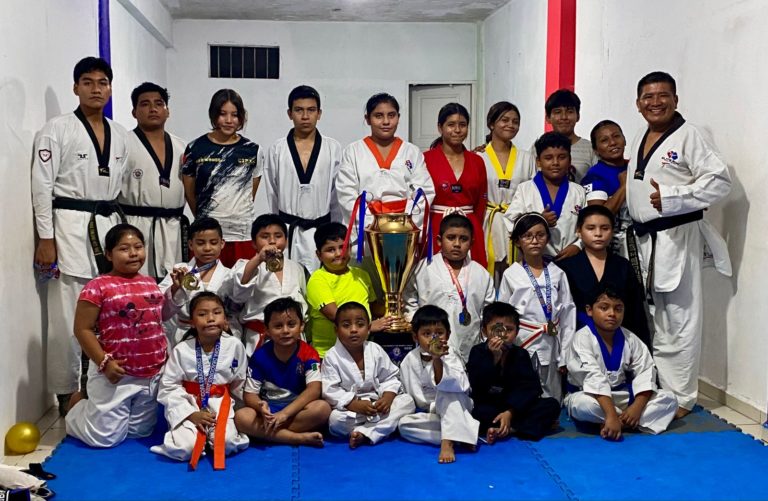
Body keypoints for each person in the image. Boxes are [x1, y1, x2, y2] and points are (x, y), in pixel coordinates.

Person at [626, 71, 731, 418]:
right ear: (638, 103)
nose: (655, 102)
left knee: (681, 316)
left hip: (677, 236)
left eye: (663, 96)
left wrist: (674, 197)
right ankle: (660, 386)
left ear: (676, 99)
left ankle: (682, 396)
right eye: (648, 96)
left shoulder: (690, 135)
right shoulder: (642, 135)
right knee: (655, 316)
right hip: (646, 240)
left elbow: (720, 181)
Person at [31, 56, 130, 415]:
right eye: (87, 82)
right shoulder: (56, 129)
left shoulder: (120, 134)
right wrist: (46, 238)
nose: (95, 89)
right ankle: (66, 389)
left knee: (110, 309)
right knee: (67, 311)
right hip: (69, 226)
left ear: (110, 88)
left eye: (102, 83)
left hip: (107, 226)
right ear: (76, 87)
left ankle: (104, 381)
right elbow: (42, 186)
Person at [65, 224, 168, 447]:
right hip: (115, 373)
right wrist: (104, 362)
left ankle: (112, 414)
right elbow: (82, 329)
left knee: (139, 432)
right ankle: (77, 407)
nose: (133, 253)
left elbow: (159, 318)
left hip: (150, 374)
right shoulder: (97, 286)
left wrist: (176, 291)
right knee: (105, 438)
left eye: (138, 247)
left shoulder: (150, 283)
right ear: (109, 254)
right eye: (124, 248)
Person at [335, 93, 435, 293]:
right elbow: (347, 193)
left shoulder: (411, 152)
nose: (386, 121)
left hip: (402, 234)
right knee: (366, 291)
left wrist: (401, 224)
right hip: (367, 235)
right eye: (378, 116)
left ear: (398, 117)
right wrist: (376, 226)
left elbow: (424, 192)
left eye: (391, 115)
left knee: (401, 292)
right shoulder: (353, 151)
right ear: (367, 119)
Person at [151, 292, 249, 469]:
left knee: (227, 443)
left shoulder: (235, 345)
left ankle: (212, 438)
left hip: (221, 404)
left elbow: (239, 382)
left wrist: (241, 411)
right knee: (185, 448)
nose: (210, 319)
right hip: (189, 403)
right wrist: (190, 414)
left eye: (217, 313)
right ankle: (193, 436)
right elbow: (168, 387)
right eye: (202, 314)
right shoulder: (182, 350)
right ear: (192, 322)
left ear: (225, 318)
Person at [564, 286, 678, 438]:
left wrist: (636, 407)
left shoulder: (630, 339)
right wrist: (610, 414)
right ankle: (621, 420)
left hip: (622, 396)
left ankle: (616, 423)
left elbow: (645, 372)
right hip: (592, 396)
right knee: (582, 405)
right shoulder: (582, 338)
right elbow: (593, 378)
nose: (612, 313)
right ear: (589, 310)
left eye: (618, 309)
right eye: (604, 308)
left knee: (669, 399)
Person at [264, 85, 343, 273]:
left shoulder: (333, 148)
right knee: (289, 282)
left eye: (311, 110)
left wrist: (334, 233)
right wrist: (277, 233)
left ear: (319, 113)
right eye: (299, 110)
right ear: (289, 113)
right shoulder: (278, 149)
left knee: (320, 283)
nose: (305, 116)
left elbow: (337, 196)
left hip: (321, 232)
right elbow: (272, 193)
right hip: (289, 231)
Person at [498, 213, 576, 402]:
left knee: (552, 396)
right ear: (517, 241)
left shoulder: (558, 273)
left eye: (540, 235)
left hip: (551, 340)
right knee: (522, 391)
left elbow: (568, 314)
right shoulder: (511, 274)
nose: (534, 241)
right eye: (527, 236)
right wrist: (503, 346)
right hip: (522, 341)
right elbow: (502, 314)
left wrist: (566, 353)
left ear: (547, 239)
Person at [181, 88, 264, 267]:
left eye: (234, 115)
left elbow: (250, 194)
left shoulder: (253, 150)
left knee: (242, 282)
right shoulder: (195, 148)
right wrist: (206, 217)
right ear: (213, 115)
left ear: (241, 117)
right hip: (207, 236)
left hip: (242, 234)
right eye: (222, 114)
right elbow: (189, 192)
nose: (228, 120)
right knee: (206, 282)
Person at [234, 298, 331, 446]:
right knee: (241, 417)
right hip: (270, 411)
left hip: (297, 410)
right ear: (267, 330)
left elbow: (314, 389)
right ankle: (297, 438)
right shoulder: (260, 356)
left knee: (322, 409)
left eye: (291, 325)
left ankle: (271, 434)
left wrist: (284, 414)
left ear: (301, 326)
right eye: (278, 326)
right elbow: (250, 395)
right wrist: (260, 406)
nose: (285, 331)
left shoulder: (309, 354)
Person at [321, 302, 416, 448]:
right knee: (335, 420)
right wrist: (354, 404)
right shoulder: (331, 357)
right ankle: (383, 427)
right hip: (352, 410)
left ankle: (365, 432)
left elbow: (390, 377)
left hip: (378, 404)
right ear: (336, 330)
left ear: (369, 328)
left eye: (360, 324)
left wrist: (387, 398)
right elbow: (331, 390)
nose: (354, 330)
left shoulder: (375, 349)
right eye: (346, 325)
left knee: (407, 401)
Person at [118, 82, 187, 280]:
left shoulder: (183, 147)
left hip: (173, 227)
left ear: (167, 111)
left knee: (175, 284)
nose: (153, 109)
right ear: (134, 112)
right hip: (136, 225)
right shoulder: (123, 143)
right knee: (137, 282)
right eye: (145, 104)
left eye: (159, 103)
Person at [403, 214, 495, 363]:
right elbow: (409, 300)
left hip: (470, 346)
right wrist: (419, 327)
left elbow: (488, 311)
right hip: (431, 345)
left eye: (463, 239)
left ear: (472, 242)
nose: (457, 244)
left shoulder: (481, 274)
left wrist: (484, 343)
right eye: (451, 238)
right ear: (439, 240)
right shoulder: (424, 268)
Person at [556, 205, 651, 347]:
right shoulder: (566, 267)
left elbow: (636, 313)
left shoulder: (622, 266)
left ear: (612, 232)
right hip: (577, 342)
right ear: (579, 232)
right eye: (591, 228)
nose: (598, 234)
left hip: (617, 341)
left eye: (605, 228)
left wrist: (641, 348)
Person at [467, 302, 561, 443]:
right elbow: (477, 386)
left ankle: (509, 428)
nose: (502, 335)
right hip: (489, 405)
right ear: (485, 331)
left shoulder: (521, 354)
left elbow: (531, 388)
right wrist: (494, 359)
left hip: (515, 408)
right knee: (476, 413)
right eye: (496, 329)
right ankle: (521, 427)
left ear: (517, 332)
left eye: (509, 330)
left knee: (551, 405)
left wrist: (510, 412)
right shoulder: (477, 351)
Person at [398, 305, 479, 464]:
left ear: (448, 335)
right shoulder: (409, 359)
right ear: (415, 336)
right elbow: (408, 394)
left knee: (447, 393)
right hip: (432, 413)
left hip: (456, 407)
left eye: (439, 333)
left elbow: (459, 387)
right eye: (426, 334)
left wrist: (437, 360)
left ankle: (447, 442)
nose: (433, 339)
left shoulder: (451, 355)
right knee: (404, 426)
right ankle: (462, 434)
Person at [306, 222, 392, 358]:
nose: (338, 254)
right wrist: (370, 326)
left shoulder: (361, 275)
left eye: (343, 247)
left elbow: (373, 307)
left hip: (362, 350)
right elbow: (335, 316)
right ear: (319, 255)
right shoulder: (317, 280)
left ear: (350, 247)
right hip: (328, 355)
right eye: (330, 250)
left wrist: (393, 306)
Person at [231, 215, 308, 356]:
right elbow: (238, 294)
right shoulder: (246, 265)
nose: (272, 241)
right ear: (254, 243)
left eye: (278, 236)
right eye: (265, 236)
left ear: (286, 240)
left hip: (293, 337)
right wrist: (259, 259)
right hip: (259, 336)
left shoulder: (297, 268)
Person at [503, 132, 586, 260]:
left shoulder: (578, 191)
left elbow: (587, 225)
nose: (555, 163)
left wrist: (578, 245)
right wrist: (539, 220)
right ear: (538, 162)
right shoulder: (525, 189)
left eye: (562, 157)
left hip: (571, 258)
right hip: (535, 259)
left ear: (570, 160)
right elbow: (510, 221)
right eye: (548, 158)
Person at [424, 103, 488, 268]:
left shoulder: (477, 161)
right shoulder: (425, 159)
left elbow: (481, 202)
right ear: (440, 127)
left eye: (462, 125)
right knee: (435, 274)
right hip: (436, 226)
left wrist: (473, 226)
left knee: (471, 275)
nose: (457, 130)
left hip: (468, 225)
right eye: (451, 125)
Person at [478, 102, 536, 280]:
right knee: (487, 272)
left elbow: (532, 193)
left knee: (515, 274)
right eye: (504, 120)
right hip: (487, 220)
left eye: (515, 121)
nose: (510, 125)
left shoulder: (527, 158)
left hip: (516, 221)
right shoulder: (478, 157)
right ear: (491, 124)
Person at [159, 217, 238, 346]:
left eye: (213, 242)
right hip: (184, 336)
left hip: (220, 335)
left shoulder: (230, 274)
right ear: (191, 244)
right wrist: (175, 288)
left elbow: (236, 309)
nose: (207, 248)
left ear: (222, 244)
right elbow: (160, 311)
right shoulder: (179, 270)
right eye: (200, 243)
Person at [581, 120, 631, 257]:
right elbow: (598, 217)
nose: (612, 142)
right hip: (614, 250)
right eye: (604, 140)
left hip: (643, 242)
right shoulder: (595, 176)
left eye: (616, 136)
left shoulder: (635, 166)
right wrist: (624, 186)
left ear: (624, 140)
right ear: (596, 150)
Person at [533, 89, 597, 183]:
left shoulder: (590, 149)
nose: (564, 117)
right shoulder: (537, 148)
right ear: (548, 118)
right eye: (558, 112)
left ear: (578, 116)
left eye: (569, 112)